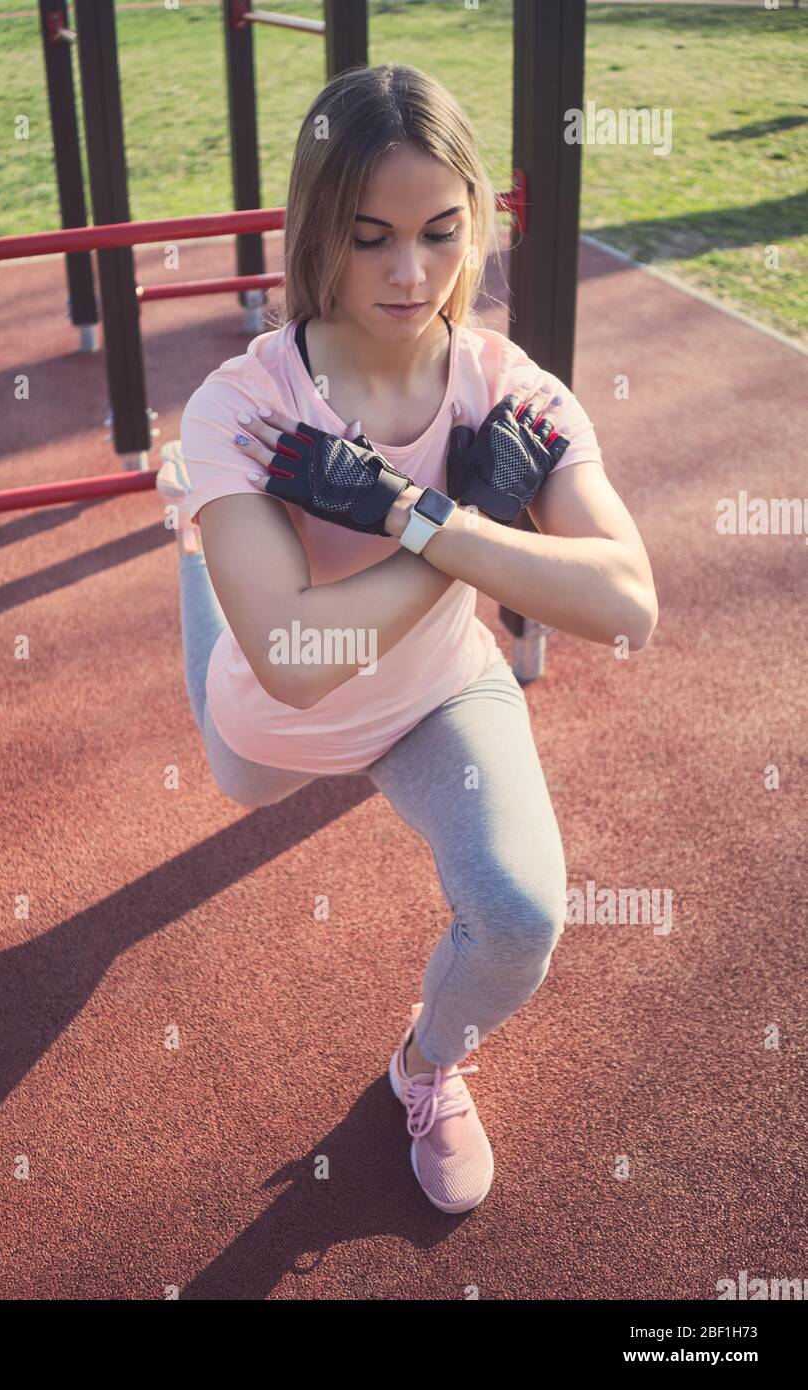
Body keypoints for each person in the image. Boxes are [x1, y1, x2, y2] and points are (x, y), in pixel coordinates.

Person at [161, 64, 658, 1215]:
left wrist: (426, 515)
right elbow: (288, 656)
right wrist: (467, 538)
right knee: (223, 617)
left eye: (441, 233)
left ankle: (425, 1068)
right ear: (315, 230)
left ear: (475, 221)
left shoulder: (504, 388)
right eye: (369, 235)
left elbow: (627, 602)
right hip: (269, 720)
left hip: (438, 698)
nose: (410, 272)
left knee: (523, 915)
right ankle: (192, 542)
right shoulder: (241, 407)